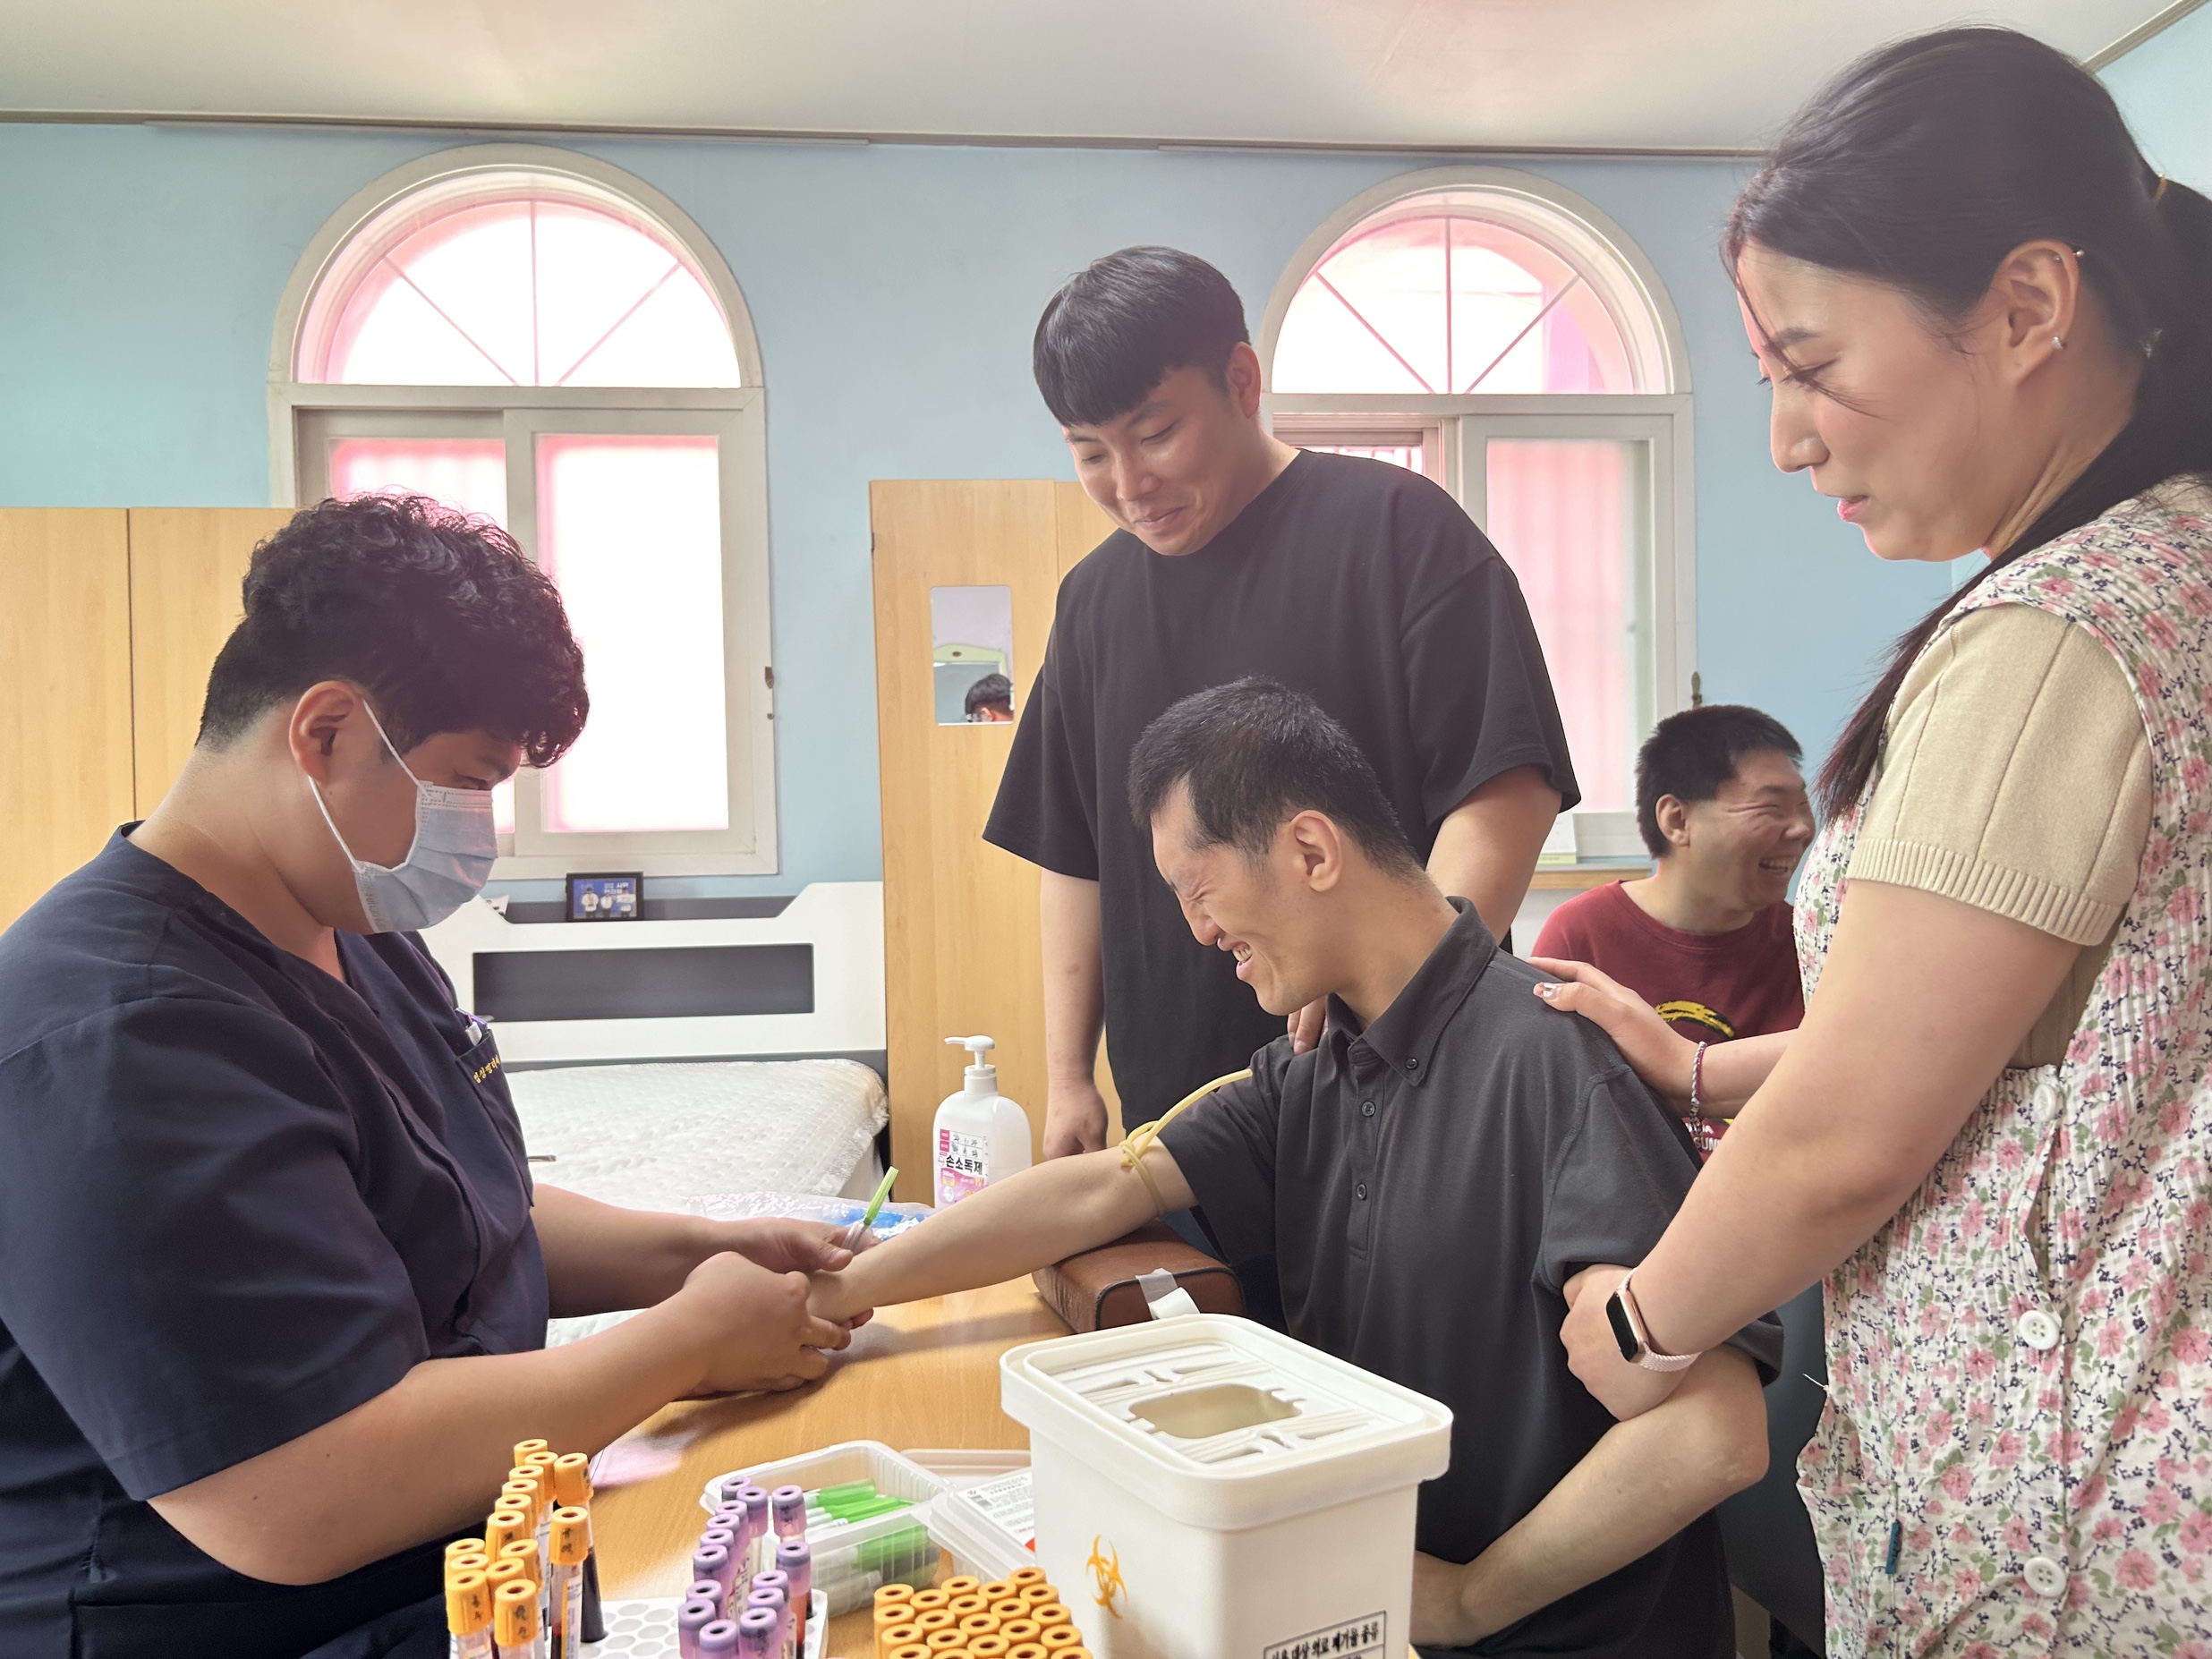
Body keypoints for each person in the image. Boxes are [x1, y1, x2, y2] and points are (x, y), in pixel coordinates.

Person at [1538, 30, 2212, 1657]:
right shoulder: (2184, 560)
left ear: (2028, 307)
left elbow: (1851, 1132)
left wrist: (1640, 1320)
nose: (1786, 436)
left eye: (1812, 364)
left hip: (2073, 1523)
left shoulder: (2061, 633)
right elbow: (2049, 1045)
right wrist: (1700, 1070)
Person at [0, 496, 856, 1659]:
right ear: (326, 732)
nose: (482, 834)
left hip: (469, 1561)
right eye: (468, 780)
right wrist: (685, 1343)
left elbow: (450, 1206)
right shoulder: (116, 1037)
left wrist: (693, 1249)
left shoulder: (351, 928)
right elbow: (298, 1493)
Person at [821, 679, 1779, 1657]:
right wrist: (850, 1289)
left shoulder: (1551, 1059)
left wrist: (1473, 1599)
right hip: (1355, 1611)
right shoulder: (1315, 1065)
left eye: (1197, 890)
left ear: (1312, 851)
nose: (1199, 931)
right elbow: (1105, 1186)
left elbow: (1716, 1432)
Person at [986, 247, 1577, 1206]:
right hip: (1182, 1117)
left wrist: (1398, 1000)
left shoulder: (1399, 531)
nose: (1129, 484)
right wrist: (1066, 1079)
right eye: (1090, 453)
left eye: (1157, 434)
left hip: (1410, 1095)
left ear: (1242, 381)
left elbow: (1506, 787)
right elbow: (1076, 853)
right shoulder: (1092, 601)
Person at [1531, 703, 1813, 1158]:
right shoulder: (1579, 935)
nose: (1801, 828)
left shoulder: (1807, 941)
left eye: (1803, 805)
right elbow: (1550, 1113)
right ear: (1677, 820)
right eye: (1772, 807)